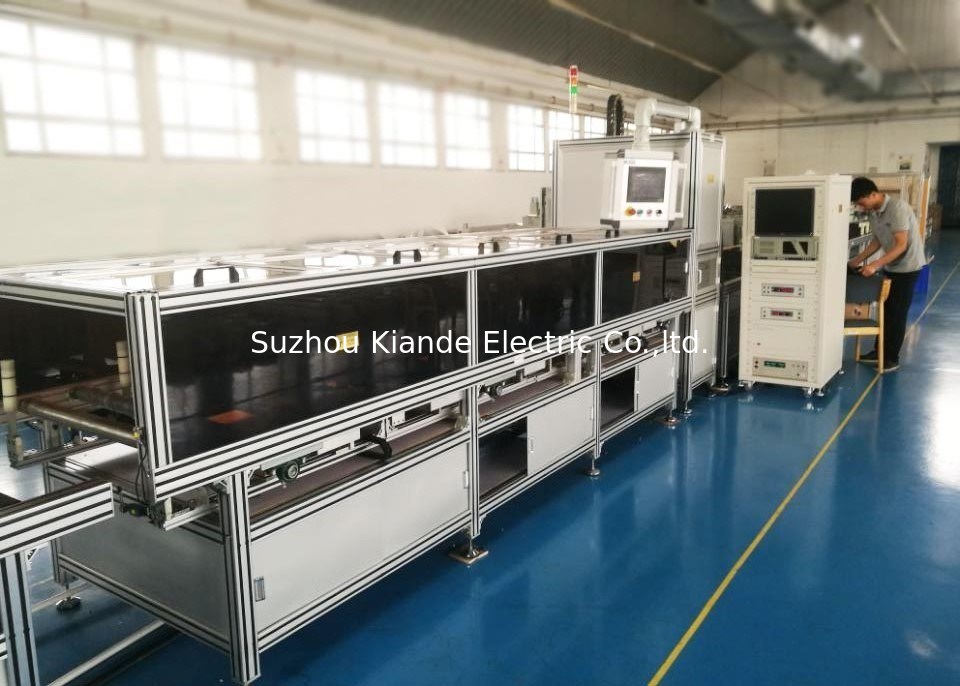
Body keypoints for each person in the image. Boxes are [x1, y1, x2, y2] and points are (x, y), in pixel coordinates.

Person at [848, 177, 926, 372]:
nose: (860, 207)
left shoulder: (897, 209)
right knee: (885, 310)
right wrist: (857, 260)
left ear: (872, 194)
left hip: (907, 267)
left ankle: (891, 358)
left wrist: (875, 265)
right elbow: (877, 241)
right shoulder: (873, 212)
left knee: (896, 313)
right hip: (891, 266)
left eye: (861, 202)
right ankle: (878, 352)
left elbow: (901, 245)